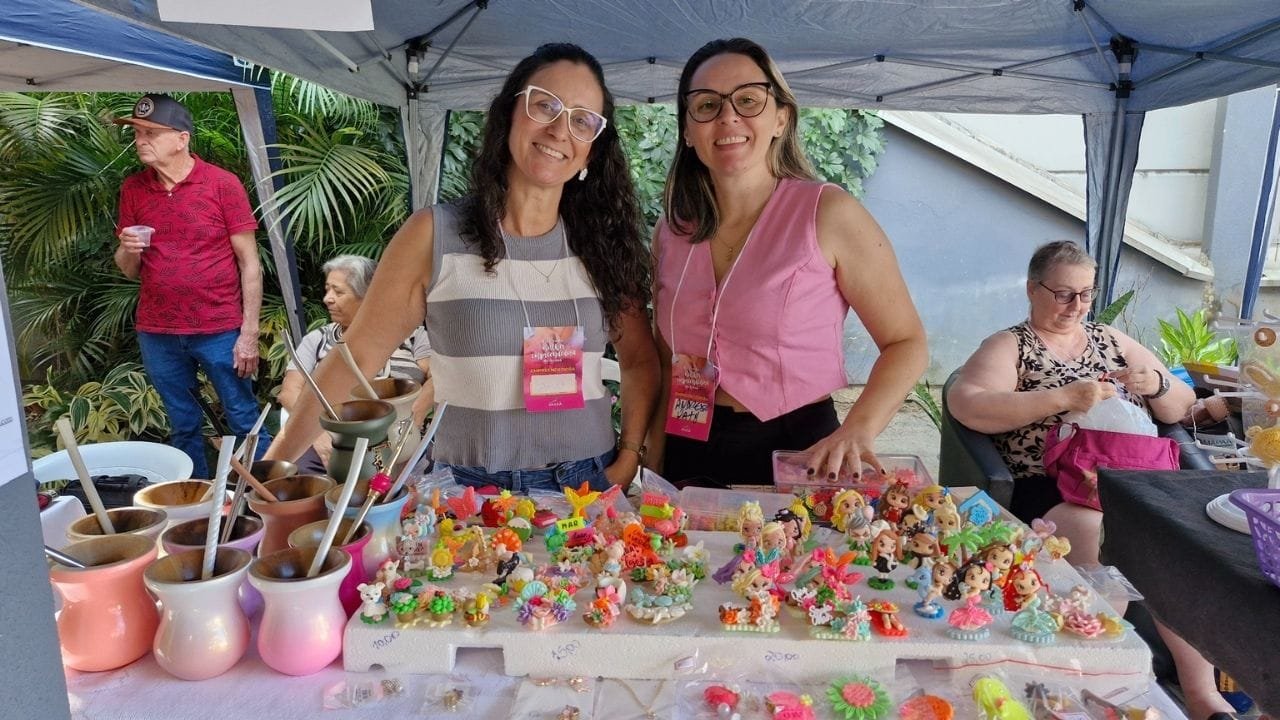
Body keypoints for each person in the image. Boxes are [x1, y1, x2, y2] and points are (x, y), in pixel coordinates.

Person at [264, 43, 658, 493]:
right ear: (509, 113)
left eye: (582, 119)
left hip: (586, 486)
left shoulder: (603, 246)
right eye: (545, 105)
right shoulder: (435, 235)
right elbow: (356, 357)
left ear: (592, 150)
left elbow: (639, 361)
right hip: (469, 493)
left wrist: (630, 457)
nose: (558, 129)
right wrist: (273, 467)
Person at [947, 240, 1233, 720]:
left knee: (1175, 540)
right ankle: (1103, 684)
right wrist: (1061, 398)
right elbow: (969, 404)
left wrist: (1156, 385)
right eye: (1063, 294)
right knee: (1096, 533)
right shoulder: (1012, 345)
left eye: (1085, 294)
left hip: (1134, 480)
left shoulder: (1109, 338)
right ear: (1032, 289)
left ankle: (1201, 693)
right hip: (1052, 484)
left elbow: (1183, 407)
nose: (1076, 306)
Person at [650, 38, 927, 488]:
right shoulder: (672, 228)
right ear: (687, 129)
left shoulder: (828, 213)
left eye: (748, 100)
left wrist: (859, 428)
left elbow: (906, 342)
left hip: (798, 447)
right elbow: (667, 356)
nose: (727, 117)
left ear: (780, 118)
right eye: (706, 105)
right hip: (688, 438)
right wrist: (652, 454)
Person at [113, 93, 269, 478]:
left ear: (182, 138)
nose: (140, 140)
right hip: (158, 331)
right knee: (183, 423)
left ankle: (267, 496)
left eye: (151, 133)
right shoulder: (134, 188)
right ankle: (195, 500)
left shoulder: (221, 184)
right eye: (137, 133)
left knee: (242, 416)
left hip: (219, 328)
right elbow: (129, 270)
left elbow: (250, 263)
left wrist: (249, 333)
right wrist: (127, 248)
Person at [278, 254, 433, 475]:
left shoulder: (412, 335)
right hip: (335, 439)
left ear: (369, 295)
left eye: (338, 292)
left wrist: (415, 416)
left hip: (401, 437)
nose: (327, 299)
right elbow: (289, 393)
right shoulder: (317, 340)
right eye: (327, 290)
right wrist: (317, 436)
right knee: (306, 482)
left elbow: (436, 376)